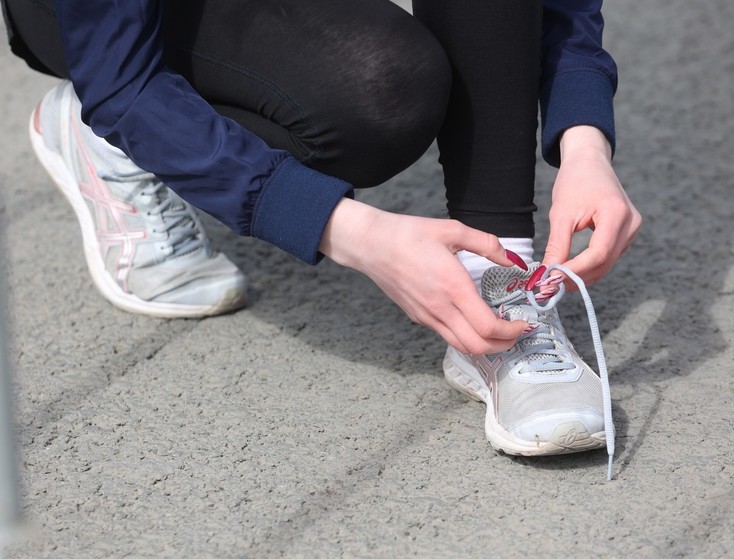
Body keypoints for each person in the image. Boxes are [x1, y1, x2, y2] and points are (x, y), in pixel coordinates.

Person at [2, 0, 641, 467]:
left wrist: (584, 136)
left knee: (383, 78)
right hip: (101, 25)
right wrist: (344, 229)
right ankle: (106, 143)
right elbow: (125, 81)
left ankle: (496, 276)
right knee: (377, 92)